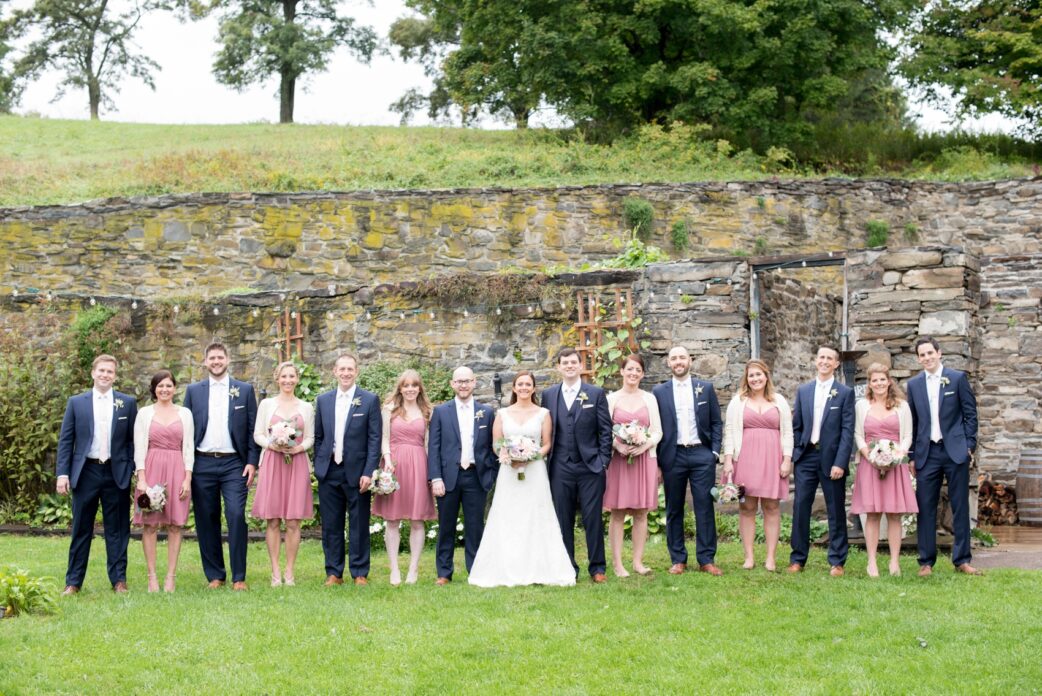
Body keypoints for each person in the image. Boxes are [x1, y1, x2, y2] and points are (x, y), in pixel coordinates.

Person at [469, 371, 575, 587]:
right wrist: (507, 456)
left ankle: (540, 567)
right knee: (508, 515)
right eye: (520, 384)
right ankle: (505, 567)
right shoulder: (503, 413)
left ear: (534, 388)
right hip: (508, 472)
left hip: (534, 471)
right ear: (514, 388)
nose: (524, 388)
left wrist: (530, 456)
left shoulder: (543, 413)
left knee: (536, 514)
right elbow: (497, 443)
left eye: (528, 384)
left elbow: (546, 443)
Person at [56, 354, 138, 595]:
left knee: (118, 529)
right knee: (81, 528)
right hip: (87, 471)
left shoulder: (127, 403)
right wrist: (62, 473)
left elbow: (133, 440)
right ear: (93, 373)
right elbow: (66, 440)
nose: (105, 375)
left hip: (116, 472)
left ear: (115, 376)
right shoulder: (76, 402)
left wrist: (130, 467)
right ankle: (73, 582)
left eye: (110, 372)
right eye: (101, 371)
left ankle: (118, 580)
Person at [184, 342, 259, 590]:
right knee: (206, 519)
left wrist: (251, 462)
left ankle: (239, 577)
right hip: (202, 462)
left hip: (233, 464)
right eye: (212, 358)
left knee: (236, 515)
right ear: (205, 362)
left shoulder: (244, 390)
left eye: (220, 357)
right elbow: (185, 430)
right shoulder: (193, 391)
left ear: (228, 360)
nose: (216, 361)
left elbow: (251, 429)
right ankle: (215, 575)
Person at [906, 336, 980, 576]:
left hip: (955, 451)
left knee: (959, 505)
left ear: (939, 353)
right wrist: (912, 455)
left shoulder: (957, 379)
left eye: (930, 353)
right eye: (922, 355)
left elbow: (970, 414)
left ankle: (962, 560)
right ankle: (926, 562)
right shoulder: (914, 385)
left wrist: (969, 444)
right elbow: (914, 423)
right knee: (925, 507)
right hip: (927, 453)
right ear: (918, 359)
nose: (927, 358)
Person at [543, 348, 613, 583]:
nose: (570, 366)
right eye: (565, 362)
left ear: (580, 366)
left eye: (574, 362)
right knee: (564, 519)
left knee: (592, 518)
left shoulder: (595, 393)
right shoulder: (549, 395)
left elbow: (606, 430)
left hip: (590, 467)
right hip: (560, 467)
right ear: (559, 367)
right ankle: (567, 566)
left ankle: (597, 568)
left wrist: (603, 461)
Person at [653, 346, 724, 576]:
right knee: (674, 508)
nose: (678, 361)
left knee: (704, 507)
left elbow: (715, 422)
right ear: (668, 363)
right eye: (674, 358)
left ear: (690, 360)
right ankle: (678, 559)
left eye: (682, 357)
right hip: (672, 456)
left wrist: (713, 452)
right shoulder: (659, 392)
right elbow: (656, 427)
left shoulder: (705, 388)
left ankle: (706, 559)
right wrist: (658, 461)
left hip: (701, 454)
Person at [313, 354, 382, 586]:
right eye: (341, 369)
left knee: (359, 523)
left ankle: (360, 572)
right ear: (334, 371)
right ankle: (334, 572)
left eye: (350, 369)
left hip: (358, 471)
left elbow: (374, 439)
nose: (345, 373)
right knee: (331, 524)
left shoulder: (369, 400)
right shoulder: (323, 400)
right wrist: (319, 464)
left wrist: (368, 471)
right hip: (330, 470)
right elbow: (320, 436)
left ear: (356, 371)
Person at [788, 345, 855, 576]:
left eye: (830, 358)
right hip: (806, 457)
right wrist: (797, 450)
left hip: (832, 459)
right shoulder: (804, 390)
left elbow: (847, 431)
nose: (825, 361)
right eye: (821, 357)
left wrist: (840, 462)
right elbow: (796, 425)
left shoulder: (844, 393)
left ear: (836, 364)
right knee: (800, 507)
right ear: (816, 361)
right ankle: (797, 559)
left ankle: (837, 561)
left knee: (835, 509)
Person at [722, 360, 793, 571]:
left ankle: (770, 557)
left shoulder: (779, 401)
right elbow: (729, 432)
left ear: (766, 376)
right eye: (751, 376)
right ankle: (749, 556)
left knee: (771, 507)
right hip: (745, 458)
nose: (755, 379)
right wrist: (727, 460)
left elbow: (788, 432)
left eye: (759, 375)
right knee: (747, 507)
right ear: (746, 379)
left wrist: (787, 459)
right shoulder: (738, 402)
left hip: (773, 459)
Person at [427, 366, 496, 584]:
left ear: (475, 382)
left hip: (475, 476)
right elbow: (434, 447)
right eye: (459, 381)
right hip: (448, 476)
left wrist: (491, 474)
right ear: (452, 384)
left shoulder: (486, 412)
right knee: (446, 525)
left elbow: (492, 447)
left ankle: (475, 570)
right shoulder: (441, 412)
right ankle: (444, 573)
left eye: (467, 381)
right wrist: (435, 478)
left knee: (475, 526)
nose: (463, 385)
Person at [251, 361, 314, 587]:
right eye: (284, 376)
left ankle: (290, 571)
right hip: (273, 461)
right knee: (273, 519)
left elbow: (310, 438)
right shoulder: (267, 405)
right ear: (277, 378)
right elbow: (258, 434)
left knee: (294, 520)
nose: (288, 380)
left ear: (297, 379)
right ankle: (275, 571)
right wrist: (272, 444)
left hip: (296, 463)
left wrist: (298, 448)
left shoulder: (306, 407)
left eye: (292, 376)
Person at [850, 362, 917, 577]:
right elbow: (858, 434)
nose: (878, 383)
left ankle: (894, 562)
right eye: (874, 380)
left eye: (882, 379)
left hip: (895, 465)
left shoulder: (901, 405)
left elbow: (907, 436)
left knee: (895, 514)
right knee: (872, 513)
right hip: (869, 465)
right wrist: (870, 455)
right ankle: (872, 562)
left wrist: (897, 456)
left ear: (889, 381)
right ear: (869, 384)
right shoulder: (862, 405)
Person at [373, 369, 437, 586]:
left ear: (420, 388)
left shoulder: (428, 411)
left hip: (419, 463)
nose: (410, 389)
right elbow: (383, 438)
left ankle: (413, 569)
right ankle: (394, 570)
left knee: (417, 520)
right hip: (395, 464)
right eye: (406, 385)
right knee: (392, 519)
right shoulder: (389, 409)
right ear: (400, 388)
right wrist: (388, 459)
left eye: (414, 385)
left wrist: (431, 471)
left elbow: (430, 443)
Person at [133, 370, 194, 593]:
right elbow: (139, 447)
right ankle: (152, 578)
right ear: (154, 389)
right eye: (160, 386)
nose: (165, 390)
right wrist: (142, 479)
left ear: (175, 388)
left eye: (168, 386)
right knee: (149, 525)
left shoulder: (185, 414)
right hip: (151, 467)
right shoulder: (144, 413)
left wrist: (187, 479)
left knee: (175, 525)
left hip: (177, 468)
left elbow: (188, 448)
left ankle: (170, 577)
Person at [604, 354, 662, 577]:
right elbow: (604, 430)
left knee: (641, 512)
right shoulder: (611, 399)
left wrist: (645, 443)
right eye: (629, 369)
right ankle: (618, 564)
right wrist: (616, 445)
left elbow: (657, 430)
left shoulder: (649, 399)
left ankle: (638, 562)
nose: (633, 373)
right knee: (617, 512)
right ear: (622, 372)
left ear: (643, 374)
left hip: (644, 459)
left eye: (638, 370)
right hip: (619, 460)